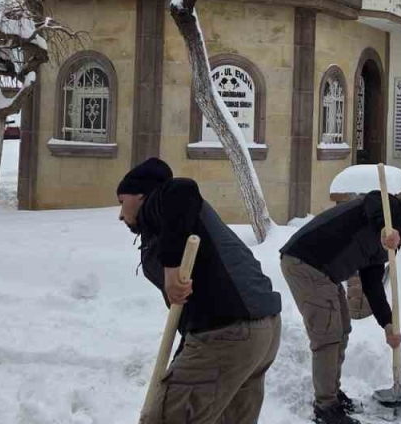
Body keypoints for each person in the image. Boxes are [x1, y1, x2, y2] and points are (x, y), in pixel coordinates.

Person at [116, 158, 283, 424]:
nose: (120, 213)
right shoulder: (175, 223)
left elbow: (181, 189)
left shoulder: (163, 202)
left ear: (140, 196)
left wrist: (170, 268)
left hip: (229, 331)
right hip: (259, 330)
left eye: (121, 202)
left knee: (166, 418)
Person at [280, 191, 401, 424]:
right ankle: (326, 408)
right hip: (305, 263)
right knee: (328, 336)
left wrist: (388, 324)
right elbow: (372, 199)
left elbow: (372, 284)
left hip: (325, 273)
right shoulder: (392, 209)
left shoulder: (387, 246)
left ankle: (332, 394)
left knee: (341, 329)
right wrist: (385, 228)